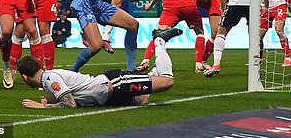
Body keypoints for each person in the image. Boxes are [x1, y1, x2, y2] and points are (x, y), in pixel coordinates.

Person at [18, 27, 182, 108]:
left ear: (25, 77)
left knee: (167, 82)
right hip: (109, 97)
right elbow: (71, 93)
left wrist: (45, 106)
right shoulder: (48, 80)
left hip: (115, 83)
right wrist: (52, 99)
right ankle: (151, 73)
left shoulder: (49, 78)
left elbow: (70, 104)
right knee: (142, 101)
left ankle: (159, 41)